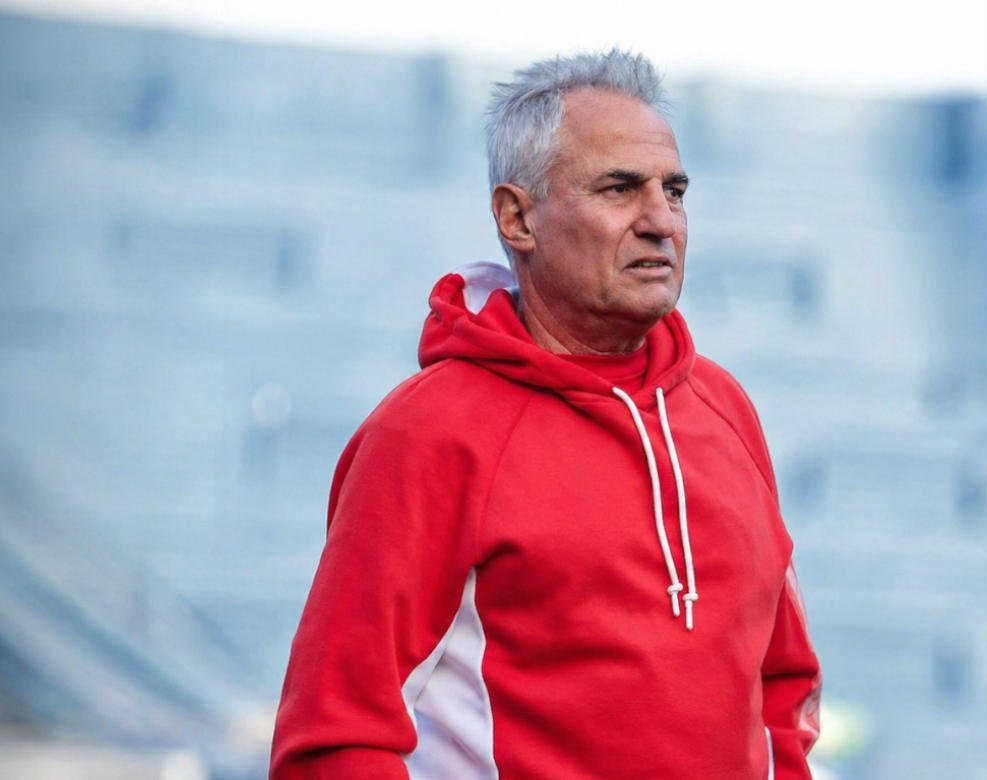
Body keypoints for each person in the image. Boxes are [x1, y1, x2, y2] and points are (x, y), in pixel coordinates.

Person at [270, 49, 821, 779]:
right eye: (620, 189)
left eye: (675, 191)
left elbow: (782, 689)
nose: (662, 221)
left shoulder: (724, 409)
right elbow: (334, 739)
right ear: (517, 216)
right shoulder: (427, 434)